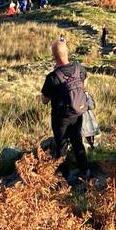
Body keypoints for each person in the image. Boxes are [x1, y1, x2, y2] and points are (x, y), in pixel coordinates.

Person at [40, 34, 89, 177]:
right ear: (67, 52)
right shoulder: (78, 67)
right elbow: (86, 79)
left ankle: (64, 177)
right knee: (77, 141)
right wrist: (81, 91)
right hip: (78, 112)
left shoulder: (53, 77)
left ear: (54, 57)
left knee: (61, 145)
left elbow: (44, 100)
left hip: (60, 117)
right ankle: (85, 171)